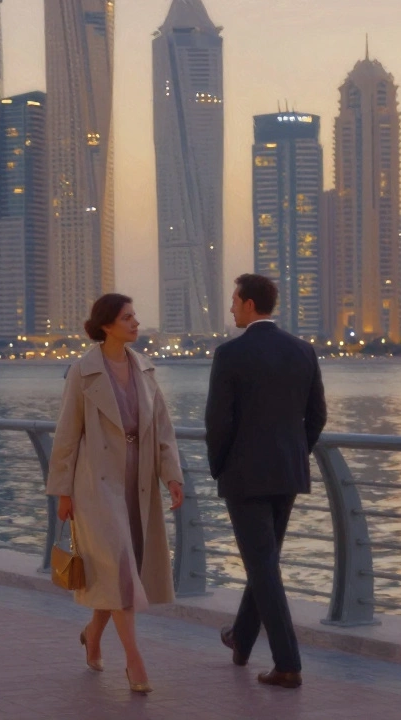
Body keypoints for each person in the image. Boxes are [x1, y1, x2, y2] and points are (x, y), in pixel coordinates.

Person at [47, 293, 186, 695]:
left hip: (138, 480)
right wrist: (63, 492)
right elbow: (67, 435)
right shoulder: (83, 371)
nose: (136, 323)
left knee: (117, 571)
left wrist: (172, 476)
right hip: (96, 485)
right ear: (107, 324)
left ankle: (93, 634)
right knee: (122, 567)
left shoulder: (144, 369)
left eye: (135, 316)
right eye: (127, 317)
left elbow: (162, 429)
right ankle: (134, 661)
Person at [204, 274, 328, 689]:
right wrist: (295, 453)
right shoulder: (303, 350)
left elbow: (218, 421)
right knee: (265, 561)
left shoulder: (230, 354)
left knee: (263, 565)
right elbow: (318, 416)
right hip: (288, 473)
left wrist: (219, 466)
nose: (232, 308)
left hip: (244, 476)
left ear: (250, 304)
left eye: (235, 300)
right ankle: (241, 636)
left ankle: (288, 663)